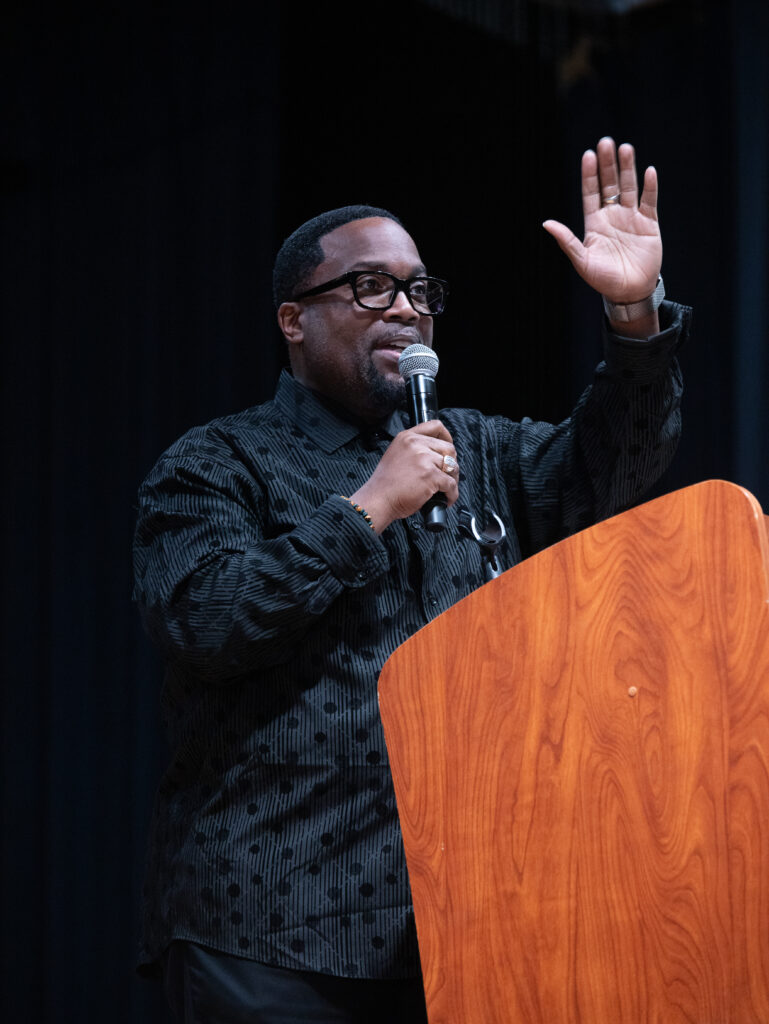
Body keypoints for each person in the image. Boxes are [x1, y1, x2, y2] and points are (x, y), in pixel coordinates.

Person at [133, 137, 690, 1023]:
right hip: (274, 928)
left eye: (419, 291)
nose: (405, 309)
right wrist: (367, 510)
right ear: (292, 319)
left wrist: (632, 317)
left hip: (468, 918)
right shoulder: (217, 463)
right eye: (370, 287)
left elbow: (608, 467)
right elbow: (207, 619)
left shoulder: (477, 448)